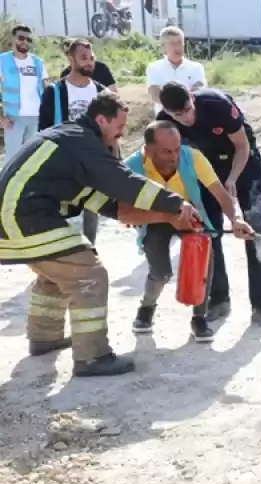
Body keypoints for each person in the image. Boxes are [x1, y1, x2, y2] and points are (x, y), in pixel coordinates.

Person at [0, 91, 200, 377]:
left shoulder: (73, 145)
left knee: (60, 269)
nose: (120, 135)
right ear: (100, 119)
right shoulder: (82, 142)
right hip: (21, 216)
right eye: (118, 128)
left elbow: (112, 207)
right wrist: (175, 202)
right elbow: (122, 182)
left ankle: (44, 338)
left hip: (15, 215)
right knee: (89, 272)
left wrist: (168, 217)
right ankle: (92, 357)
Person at [157, 82, 261, 327]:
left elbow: (242, 146)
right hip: (205, 175)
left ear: (192, 97)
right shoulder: (164, 124)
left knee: (254, 228)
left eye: (188, 110)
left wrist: (231, 179)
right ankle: (219, 299)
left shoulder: (217, 104)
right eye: (178, 115)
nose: (186, 119)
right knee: (209, 232)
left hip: (242, 165)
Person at [125, 121, 253, 341]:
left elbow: (222, 195)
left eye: (176, 149)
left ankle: (199, 318)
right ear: (148, 149)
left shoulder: (192, 157)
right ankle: (146, 309)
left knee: (204, 257)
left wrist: (237, 219)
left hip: (189, 215)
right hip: (154, 218)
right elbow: (122, 212)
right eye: (166, 151)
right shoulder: (132, 166)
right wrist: (164, 216)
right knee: (161, 273)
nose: (174, 156)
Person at [40, 39, 110, 246]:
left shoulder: (101, 92)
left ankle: (89, 250)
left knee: (92, 207)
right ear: (70, 59)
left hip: (92, 159)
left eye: (91, 58)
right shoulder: (54, 92)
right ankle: (58, 254)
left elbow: (110, 129)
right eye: (83, 58)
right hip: (62, 159)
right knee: (58, 208)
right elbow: (43, 129)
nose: (89, 63)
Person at [0, 25, 50, 160]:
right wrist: (1, 117)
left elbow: (47, 89)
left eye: (29, 40)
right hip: (13, 118)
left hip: (36, 117)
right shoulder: (2, 61)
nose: (25, 42)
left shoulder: (37, 62)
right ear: (13, 39)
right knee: (12, 158)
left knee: (32, 158)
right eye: (21, 38)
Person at [146, 26, 206, 116]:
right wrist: (175, 110)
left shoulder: (196, 68)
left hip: (190, 119)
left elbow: (198, 90)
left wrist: (182, 111)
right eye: (172, 43)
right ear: (163, 47)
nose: (177, 47)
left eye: (180, 42)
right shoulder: (154, 68)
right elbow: (154, 93)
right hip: (165, 119)